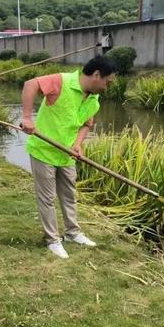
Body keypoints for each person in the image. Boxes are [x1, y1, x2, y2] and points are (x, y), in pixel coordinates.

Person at [21, 55, 116, 259]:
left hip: (67, 155)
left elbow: (86, 124)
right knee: (47, 198)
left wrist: (78, 144)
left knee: (69, 195)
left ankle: (72, 233)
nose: (107, 87)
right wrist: (27, 118)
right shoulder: (62, 81)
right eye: (107, 82)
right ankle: (53, 240)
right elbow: (30, 84)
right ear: (97, 75)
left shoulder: (94, 99)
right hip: (44, 150)